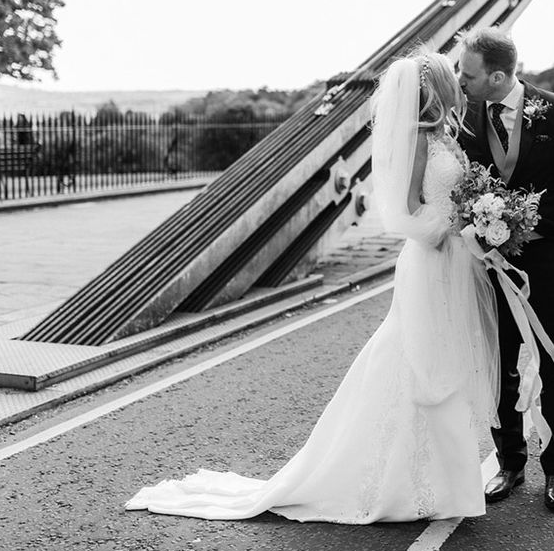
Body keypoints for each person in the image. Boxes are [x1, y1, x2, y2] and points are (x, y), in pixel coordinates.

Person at [125, 52, 502, 523]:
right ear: (437, 90)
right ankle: (399, 481)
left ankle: (443, 486)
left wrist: (473, 218)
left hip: (453, 263)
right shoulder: (419, 141)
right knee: (418, 360)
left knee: (442, 361)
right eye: (454, 80)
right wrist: (450, 226)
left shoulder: (445, 135)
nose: (459, 86)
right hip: (431, 260)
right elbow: (405, 211)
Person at [457, 26, 554, 512]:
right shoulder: (466, 116)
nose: (462, 80)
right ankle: (509, 463)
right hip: (493, 265)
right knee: (501, 365)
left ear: (498, 76)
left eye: (469, 73)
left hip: (549, 262)